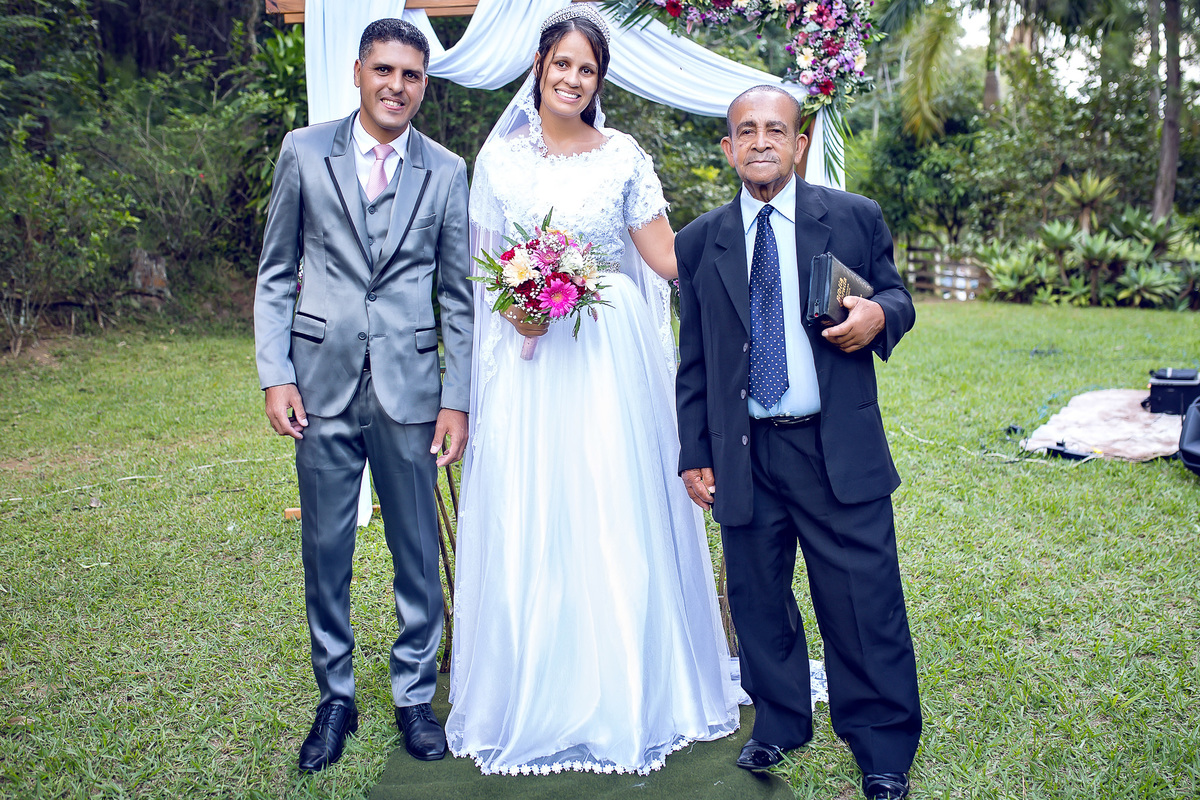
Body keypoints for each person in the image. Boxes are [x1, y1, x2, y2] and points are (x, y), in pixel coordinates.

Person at [445, 5, 741, 777]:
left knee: (613, 502)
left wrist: (745, 238)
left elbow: (666, 258)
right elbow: (484, 271)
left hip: (610, 357)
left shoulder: (622, 156)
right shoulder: (499, 162)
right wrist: (521, 305)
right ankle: (536, 687)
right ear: (539, 68)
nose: (573, 79)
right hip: (531, 361)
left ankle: (630, 689)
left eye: (587, 69)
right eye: (563, 64)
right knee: (538, 505)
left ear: (598, 81)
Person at [674, 85, 922, 800]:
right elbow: (695, 358)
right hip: (745, 451)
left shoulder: (852, 217)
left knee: (862, 598)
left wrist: (879, 315)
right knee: (757, 597)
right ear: (728, 148)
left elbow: (898, 296)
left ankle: (881, 743)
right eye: (746, 131)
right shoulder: (700, 241)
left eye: (776, 130)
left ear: (799, 144)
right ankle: (780, 721)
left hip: (833, 445)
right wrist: (695, 452)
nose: (761, 142)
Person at [253, 19, 473, 773]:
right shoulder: (303, 151)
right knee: (326, 549)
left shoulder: (446, 170)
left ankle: (414, 694)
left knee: (417, 550)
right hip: (319, 383)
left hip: (411, 389)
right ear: (357, 72)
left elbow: (458, 296)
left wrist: (456, 398)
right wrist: (276, 373)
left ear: (423, 85)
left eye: (411, 75)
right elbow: (275, 273)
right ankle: (335, 696)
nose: (396, 86)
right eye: (384, 70)